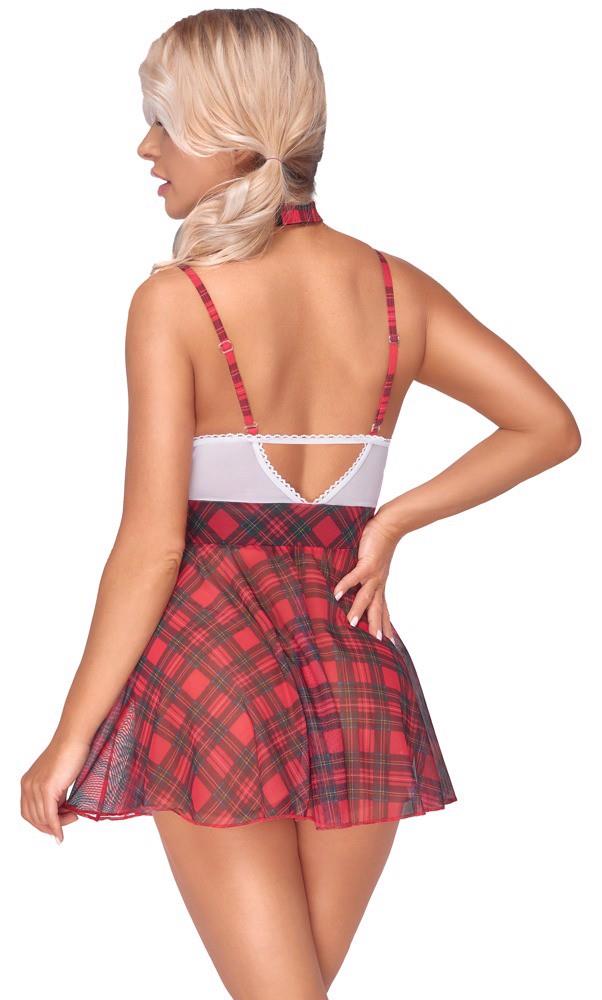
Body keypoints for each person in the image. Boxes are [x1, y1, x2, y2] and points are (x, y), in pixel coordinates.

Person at [20, 9, 581, 999]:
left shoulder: (176, 301)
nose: (146, 148)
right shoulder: (395, 289)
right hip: (357, 665)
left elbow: (152, 547)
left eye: (163, 122)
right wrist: (390, 518)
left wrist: (68, 741)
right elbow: (547, 425)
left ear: (232, 132)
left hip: (213, 670)